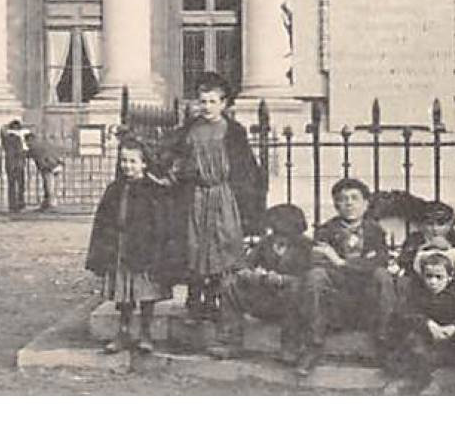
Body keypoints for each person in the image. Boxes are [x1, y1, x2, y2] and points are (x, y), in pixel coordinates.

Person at [164, 74, 266, 357]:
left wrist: (250, 208)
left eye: (213, 101)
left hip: (224, 197)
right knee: (196, 248)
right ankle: (196, 304)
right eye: (203, 101)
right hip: (196, 196)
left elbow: (247, 170)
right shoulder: (189, 130)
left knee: (223, 248)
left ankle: (222, 304)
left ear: (224, 103)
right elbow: (174, 159)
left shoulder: (233, 131)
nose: (207, 106)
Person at [298, 176, 397, 375]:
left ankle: (385, 342)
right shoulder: (325, 231)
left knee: (382, 276)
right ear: (336, 205)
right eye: (343, 199)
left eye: (354, 198)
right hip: (338, 298)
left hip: (366, 299)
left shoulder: (375, 231)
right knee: (316, 276)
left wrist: (340, 262)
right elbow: (318, 262)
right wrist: (358, 265)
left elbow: (379, 261)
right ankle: (313, 344)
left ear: (366, 204)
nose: (349, 203)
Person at [85, 139, 171, 354]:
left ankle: (145, 333)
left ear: (144, 164)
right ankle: (123, 332)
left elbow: (161, 223)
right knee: (123, 295)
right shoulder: (115, 189)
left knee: (145, 294)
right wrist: (101, 250)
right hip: (121, 249)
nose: (127, 166)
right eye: (124, 161)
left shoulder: (154, 190)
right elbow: (102, 222)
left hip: (144, 250)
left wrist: (158, 250)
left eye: (133, 161)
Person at [386, 249, 455, 395]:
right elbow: (406, 312)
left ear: (449, 277)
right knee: (412, 341)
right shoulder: (417, 293)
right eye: (428, 276)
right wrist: (428, 324)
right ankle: (426, 381)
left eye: (438, 277)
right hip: (428, 344)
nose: (433, 282)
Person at [222, 203, 316, 364]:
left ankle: (290, 347)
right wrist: (252, 275)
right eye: (275, 230)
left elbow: (308, 278)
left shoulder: (306, 246)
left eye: (284, 232)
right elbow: (243, 265)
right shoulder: (266, 243)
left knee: (295, 289)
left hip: (293, 305)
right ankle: (229, 342)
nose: (279, 236)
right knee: (230, 284)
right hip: (265, 298)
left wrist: (282, 279)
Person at [394, 199, 455, 277]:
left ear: (450, 225)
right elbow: (403, 262)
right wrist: (422, 249)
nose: (435, 229)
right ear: (421, 225)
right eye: (429, 224)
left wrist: (449, 247)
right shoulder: (415, 239)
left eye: (441, 224)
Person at [27, 129, 66, 211]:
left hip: (49, 167)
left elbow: (41, 159)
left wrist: (45, 167)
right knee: (50, 185)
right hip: (53, 165)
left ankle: (51, 203)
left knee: (49, 186)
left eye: (27, 141)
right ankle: (48, 203)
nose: (27, 144)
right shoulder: (42, 145)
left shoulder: (35, 147)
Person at [2, 119, 28, 214]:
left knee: (12, 186)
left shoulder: (6, 138)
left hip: (10, 165)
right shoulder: (16, 139)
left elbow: (3, 130)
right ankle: (19, 203)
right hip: (18, 165)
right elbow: (21, 151)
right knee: (20, 185)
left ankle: (13, 204)